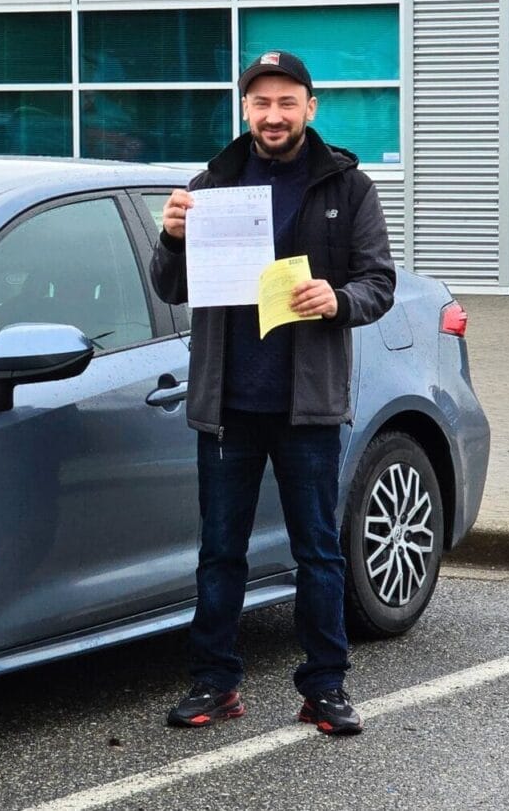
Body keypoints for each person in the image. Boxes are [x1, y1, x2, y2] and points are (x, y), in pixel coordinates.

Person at [148, 51, 396, 736]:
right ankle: (214, 683)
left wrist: (336, 298)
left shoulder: (347, 184)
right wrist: (171, 240)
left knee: (316, 552)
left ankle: (326, 689)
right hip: (227, 407)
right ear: (246, 111)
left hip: (307, 405)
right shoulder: (213, 184)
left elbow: (380, 282)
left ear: (309, 108)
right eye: (262, 103)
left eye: (288, 102)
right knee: (219, 554)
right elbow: (171, 288)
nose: (274, 115)